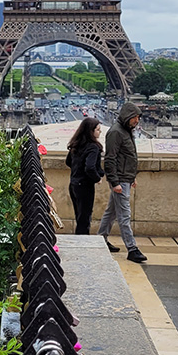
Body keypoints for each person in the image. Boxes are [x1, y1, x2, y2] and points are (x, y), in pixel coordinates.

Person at [98, 101, 148, 263]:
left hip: (124, 178)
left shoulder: (124, 130)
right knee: (124, 215)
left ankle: (101, 240)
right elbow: (110, 159)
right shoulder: (116, 132)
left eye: (138, 117)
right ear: (127, 116)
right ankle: (132, 248)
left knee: (111, 212)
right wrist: (115, 182)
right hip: (119, 180)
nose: (137, 121)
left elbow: (126, 157)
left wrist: (131, 177)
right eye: (135, 117)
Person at [65, 117, 104, 234]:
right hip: (85, 186)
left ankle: (80, 237)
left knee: (79, 216)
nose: (100, 132)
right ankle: (82, 240)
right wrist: (97, 178)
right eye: (97, 130)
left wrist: (78, 170)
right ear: (91, 131)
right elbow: (90, 167)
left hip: (74, 184)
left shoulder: (76, 144)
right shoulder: (93, 147)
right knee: (85, 219)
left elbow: (68, 162)